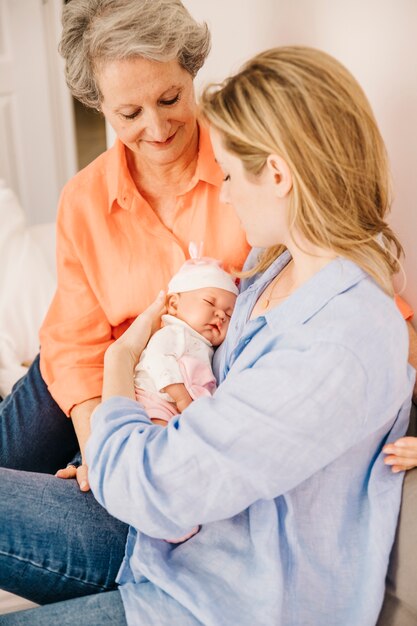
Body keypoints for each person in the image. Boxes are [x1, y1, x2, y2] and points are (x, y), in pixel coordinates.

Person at [0, 46, 414, 626]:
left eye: (227, 173)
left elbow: (156, 488)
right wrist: (114, 436)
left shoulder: (336, 345)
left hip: (213, 599)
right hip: (162, 538)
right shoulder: (275, 268)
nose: (220, 192)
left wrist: (120, 368)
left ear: (276, 174)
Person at [0, 0, 249, 490]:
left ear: (191, 67)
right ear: (99, 106)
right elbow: (76, 346)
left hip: (173, 390)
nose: (157, 130)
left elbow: (343, 279)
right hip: (93, 378)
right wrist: (98, 446)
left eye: (171, 98)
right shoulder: (84, 199)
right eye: (130, 113)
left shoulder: (248, 164)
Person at [134, 244, 238, 425]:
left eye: (229, 314)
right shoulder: (174, 333)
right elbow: (157, 359)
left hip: (179, 408)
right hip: (153, 398)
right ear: (174, 304)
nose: (221, 315)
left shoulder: (208, 347)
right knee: (159, 437)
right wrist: (182, 397)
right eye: (209, 302)